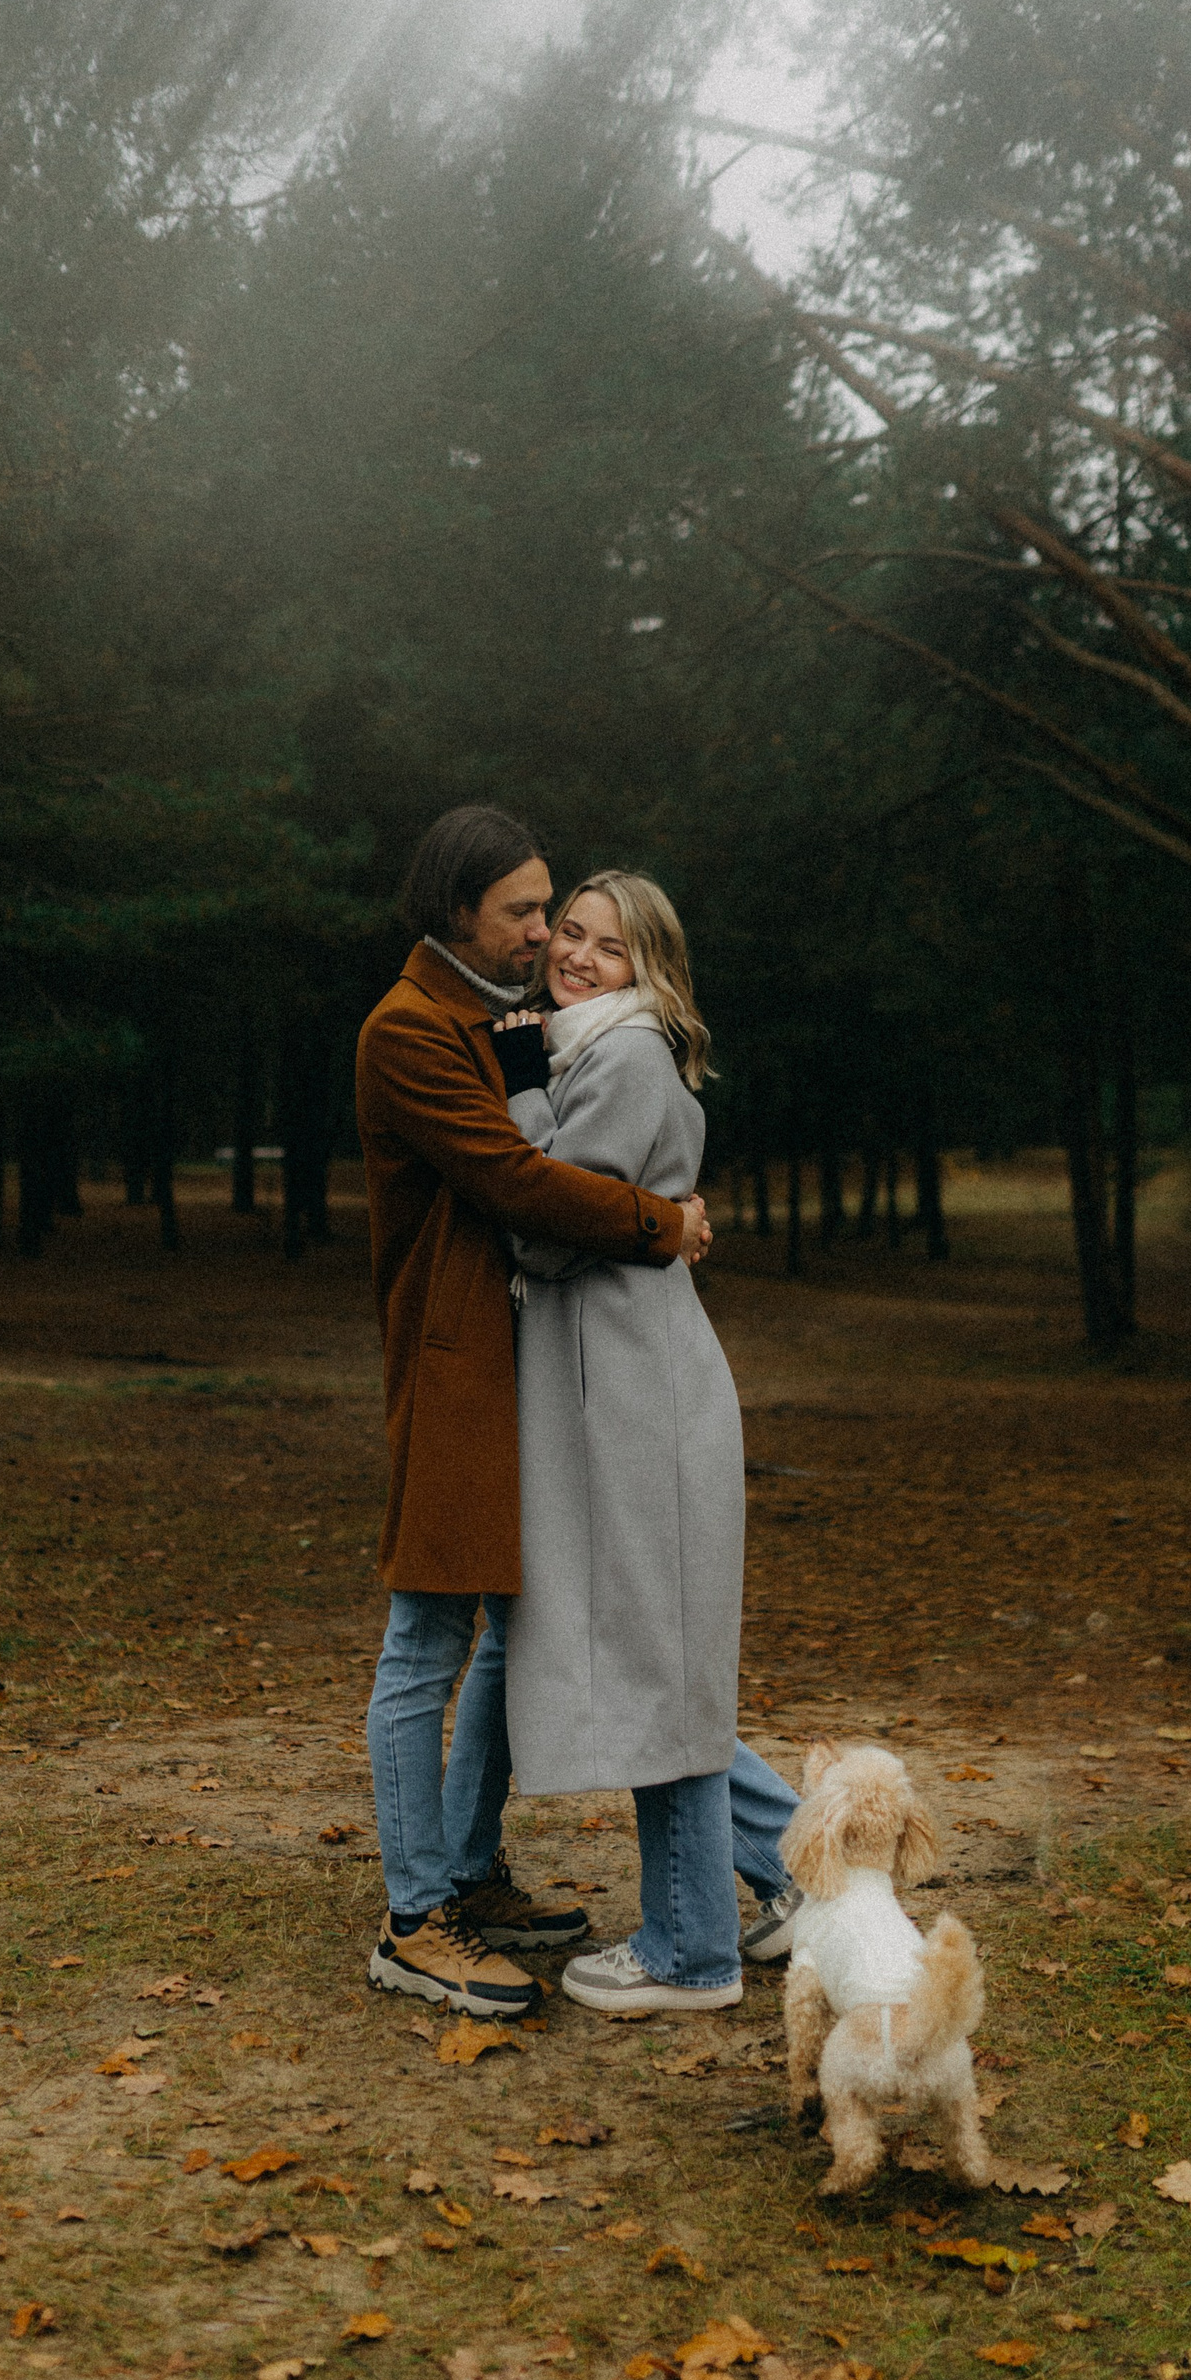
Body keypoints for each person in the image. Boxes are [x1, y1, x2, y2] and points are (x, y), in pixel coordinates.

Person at [355, 807, 713, 2019]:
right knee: (425, 1640)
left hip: (526, 1369)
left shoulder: (503, 1018)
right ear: (457, 911)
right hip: (455, 1370)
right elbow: (516, 1180)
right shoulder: (410, 1030)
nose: (542, 932)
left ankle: (467, 1871)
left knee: (514, 1635)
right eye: (520, 911)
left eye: (548, 908)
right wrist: (663, 1222)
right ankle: (415, 1921)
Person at [463, 871, 803, 2012]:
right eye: (570, 932)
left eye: (610, 947)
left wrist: (518, 1087)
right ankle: (804, 1872)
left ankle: (689, 1951)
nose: (578, 955)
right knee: (665, 1666)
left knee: (661, 1673)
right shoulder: (597, 1050)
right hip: (624, 1388)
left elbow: (550, 1227)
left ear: (650, 970)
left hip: (637, 1400)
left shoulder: (619, 1056)